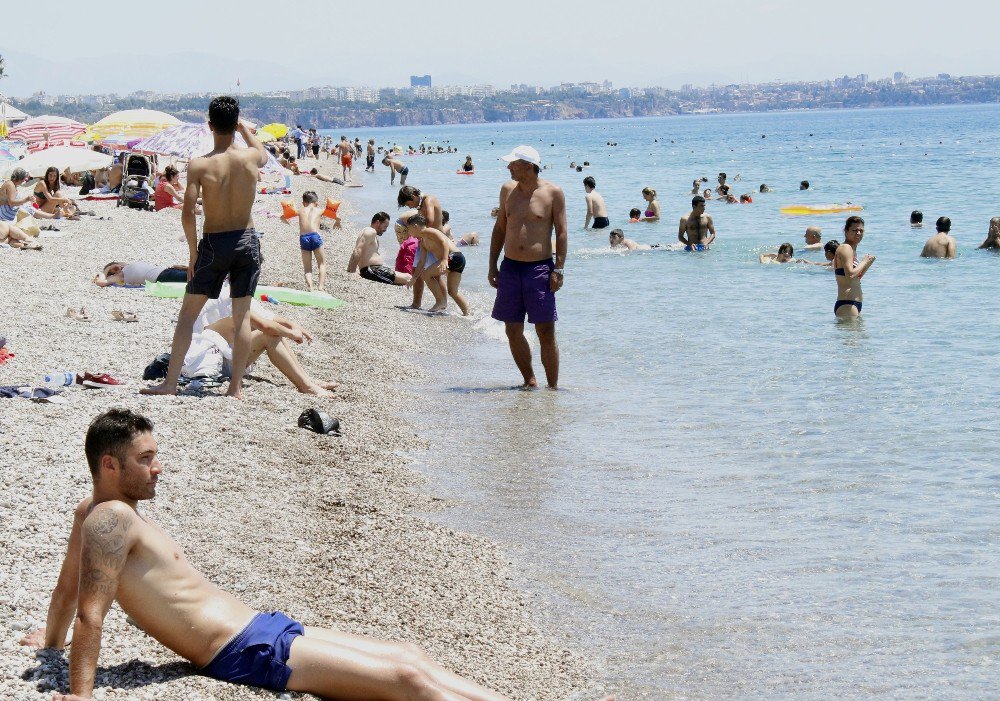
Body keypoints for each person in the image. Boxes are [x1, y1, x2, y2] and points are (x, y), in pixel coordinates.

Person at [21, 410, 614, 701]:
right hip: (242, 653)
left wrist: (46, 647)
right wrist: (80, 695)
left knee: (409, 654)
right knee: (407, 678)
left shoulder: (92, 516)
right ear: (110, 465)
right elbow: (90, 613)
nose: (159, 467)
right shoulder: (108, 519)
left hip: (259, 626)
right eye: (146, 457)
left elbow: (66, 589)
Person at [141, 95, 267, 400]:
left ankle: (170, 383)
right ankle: (235, 387)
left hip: (214, 241)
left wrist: (193, 252)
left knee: (188, 314)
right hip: (247, 239)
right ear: (235, 125)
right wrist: (243, 127)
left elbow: (188, 212)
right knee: (242, 317)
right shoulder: (251, 158)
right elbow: (260, 149)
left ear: (209, 125)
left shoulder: (199, 164)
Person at [488, 145, 566, 388]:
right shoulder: (507, 190)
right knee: (511, 329)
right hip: (510, 267)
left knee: (545, 331)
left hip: (540, 268)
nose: (508, 167)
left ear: (529, 167)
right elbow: (500, 228)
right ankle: (529, 380)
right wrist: (492, 265)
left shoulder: (553, 193)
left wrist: (559, 269)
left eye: (513, 164)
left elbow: (562, 233)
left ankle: (552, 388)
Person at [397, 185, 443, 309]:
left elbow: (430, 220)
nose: (410, 207)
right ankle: (416, 303)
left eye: (408, 204)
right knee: (415, 269)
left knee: (436, 275)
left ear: (413, 197)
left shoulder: (428, 200)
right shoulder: (420, 204)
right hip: (424, 241)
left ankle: (442, 302)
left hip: (435, 242)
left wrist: (415, 226)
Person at [348, 211, 411, 285]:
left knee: (408, 277)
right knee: (408, 278)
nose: (385, 230)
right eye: (385, 226)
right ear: (378, 222)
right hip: (372, 270)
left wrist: (349, 269)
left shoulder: (367, 230)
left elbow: (357, 249)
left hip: (375, 270)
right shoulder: (370, 232)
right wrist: (352, 271)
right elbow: (358, 250)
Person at [833, 215, 876, 318]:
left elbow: (855, 278)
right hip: (847, 304)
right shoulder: (845, 248)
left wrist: (867, 264)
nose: (858, 233)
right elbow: (850, 275)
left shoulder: (852, 250)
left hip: (852, 303)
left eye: (861, 231)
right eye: (855, 230)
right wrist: (864, 262)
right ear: (846, 231)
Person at [296, 191, 327, 291]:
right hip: (315, 236)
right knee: (321, 263)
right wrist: (338, 221)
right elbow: (335, 216)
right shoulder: (319, 210)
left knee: (307, 267)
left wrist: (284, 219)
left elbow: (284, 216)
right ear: (316, 203)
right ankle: (321, 287)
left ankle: (310, 287)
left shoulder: (300, 210)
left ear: (303, 203)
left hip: (304, 238)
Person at [95, 261, 188, 286]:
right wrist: (107, 269)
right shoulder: (120, 276)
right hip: (162, 277)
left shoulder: (128, 265)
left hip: (167, 271)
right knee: (196, 277)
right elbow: (101, 282)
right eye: (113, 271)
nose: (117, 268)